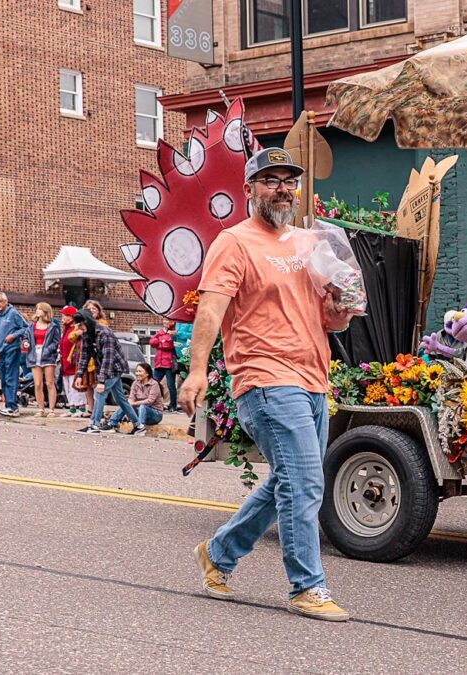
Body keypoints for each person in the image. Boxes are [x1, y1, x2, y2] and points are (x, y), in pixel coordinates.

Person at [182, 147, 356, 622]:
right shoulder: (234, 243)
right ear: (249, 189)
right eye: (271, 179)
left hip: (313, 377)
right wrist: (197, 370)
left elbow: (327, 318)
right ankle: (307, 586)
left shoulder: (307, 243)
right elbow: (211, 309)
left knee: (289, 479)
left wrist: (338, 313)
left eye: (289, 180)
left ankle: (218, 554)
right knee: (303, 483)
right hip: (264, 378)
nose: (283, 188)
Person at [74, 310, 138, 434]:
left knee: (99, 394)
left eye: (81, 325)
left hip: (114, 367)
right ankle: (138, 425)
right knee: (120, 399)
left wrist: (101, 381)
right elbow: (84, 355)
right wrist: (80, 374)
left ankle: (94, 424)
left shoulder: (105, 334)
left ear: (87, 322)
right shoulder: (86, 334)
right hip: (105, 367)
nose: (79, 328)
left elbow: (108, 360)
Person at [0, 292, 28, 417]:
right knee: (3, 379)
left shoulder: (13, 313)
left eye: (0, 301)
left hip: (12, 349)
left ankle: (12, 406)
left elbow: (25, 328)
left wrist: (14, 335)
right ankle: (8, 405)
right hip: (0, 351)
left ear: (6, 301)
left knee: (10, 377)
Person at [25, 302, 61, 417]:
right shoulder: (31, 326)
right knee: (37, 383)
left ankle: (51, 409)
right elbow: (26, 337)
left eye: (40, 309)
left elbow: (56, 342)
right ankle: (41, 408)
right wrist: (26, 342)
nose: (37, 311)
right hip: (34, 354)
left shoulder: (52, 326)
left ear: (45, 311)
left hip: (48, 355)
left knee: (50, 383)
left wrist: (47, 350)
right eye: (37, 309)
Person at [107, 363, 163, 434]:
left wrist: (135, 403)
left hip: (155, 415)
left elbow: (150, 401)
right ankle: (112, 423)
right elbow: (131, 398)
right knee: (125, 405)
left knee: (143, 407)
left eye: (140, 371)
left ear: (147, 374)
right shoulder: (135, 383)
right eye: (137, 371)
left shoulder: (154, 384)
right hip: (140, 411)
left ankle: (140, 427)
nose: (137, 374)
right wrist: (129, 403)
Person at [57, 306, 87, 417]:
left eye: (65, 315)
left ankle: (81, 407)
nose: (62, 317)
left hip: (74, 362)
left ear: (71, 317)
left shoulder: (75, 329)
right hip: (65, 362)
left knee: (75, 385)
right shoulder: (65, 329)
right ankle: (72, 407)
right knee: (68, 385)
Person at [149, 318, 179, 412]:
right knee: (153, 383)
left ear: (173, 322)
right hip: (159, 362)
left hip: (169, 363)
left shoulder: (174, 332)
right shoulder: (161, 331)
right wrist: (161, 341)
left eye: (168, 320)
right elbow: (151, 342)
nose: (166, 322)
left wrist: (160, 341)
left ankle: (173, 405)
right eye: (164, 320)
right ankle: (152, 403)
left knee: (171, 385)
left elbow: (168, 345)